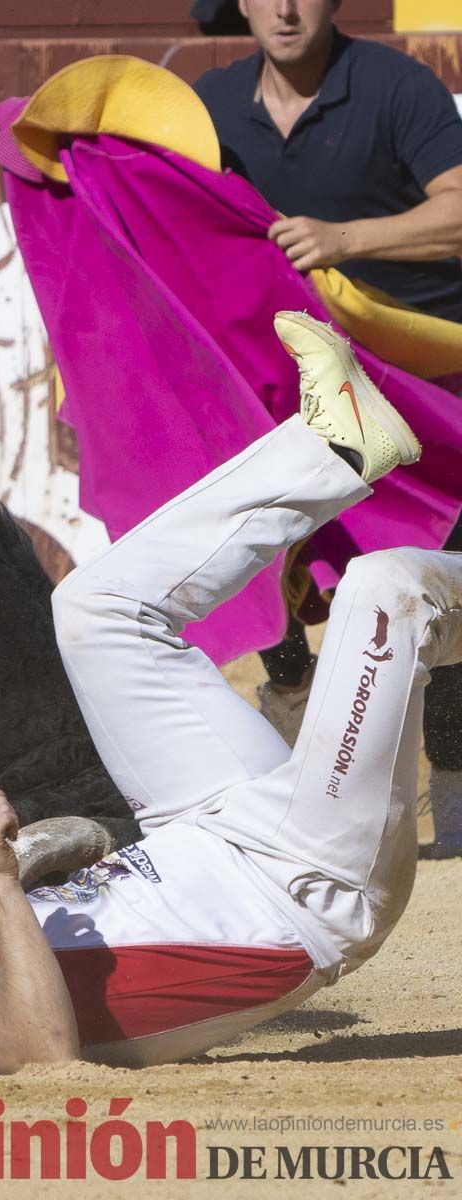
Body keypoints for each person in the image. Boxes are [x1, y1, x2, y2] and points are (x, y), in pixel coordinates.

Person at [0, 312, 461, 1075]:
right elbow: (37, 1059)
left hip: (205, 830)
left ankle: (335, 447)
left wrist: (30, 867)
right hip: (302, 885)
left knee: (97, 612)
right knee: (387, 591)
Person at [192, 0, 462, 853]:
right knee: (255, 545)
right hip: (285, 378)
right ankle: (290, 688)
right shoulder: (210, 105)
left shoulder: (392, 85)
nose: (284, 6)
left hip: (418, 380)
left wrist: (346, 237)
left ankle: (452, 782)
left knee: (433, 572)